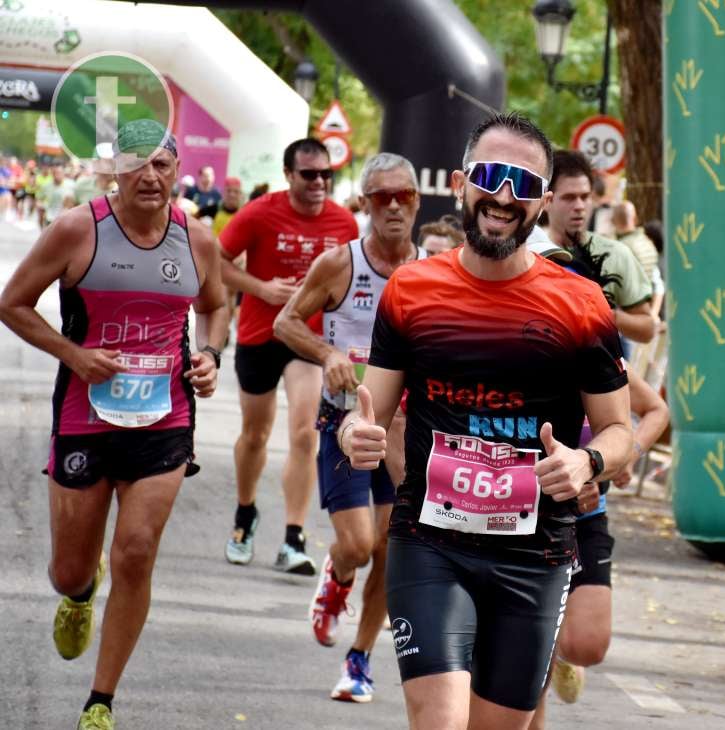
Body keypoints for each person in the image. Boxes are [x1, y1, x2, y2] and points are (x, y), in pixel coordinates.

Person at [339, 112, 634, 730]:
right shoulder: (410, 291)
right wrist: (355, 436)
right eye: (492, 176)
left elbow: (621, 432)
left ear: (543, 203)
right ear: (460, 182)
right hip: (431, 543)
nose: (504, 197)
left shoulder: (580, 304)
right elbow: (371, 412)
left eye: (523, 185)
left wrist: (587, 460)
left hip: (536, 555)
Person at [0, 121, 228, 730]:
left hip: (166, 417)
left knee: (136, 550)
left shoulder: (196, 240)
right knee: (69, 569)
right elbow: (11, 303)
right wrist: (75, 356)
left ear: (178, 171)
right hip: (85, 416)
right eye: (136, 165)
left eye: (162, 164)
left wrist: (209, 356)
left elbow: (216, 307)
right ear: (114, 172)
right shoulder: (79, 229)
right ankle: (79, 594)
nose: (149, 176)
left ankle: (100, 701)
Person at [273, 152, 427, 703]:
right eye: (380, 196)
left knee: (392, 544)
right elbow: (285, 321)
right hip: (344, 419)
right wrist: (328, 350)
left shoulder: (435, 267)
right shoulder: (340, 264)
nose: (392, 206)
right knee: (360, 545)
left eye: (402, 196)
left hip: (405, 426)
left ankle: (359, 658)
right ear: (363, 203)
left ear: (416, 202)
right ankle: (338, 577)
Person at [528, 244, 671, 729]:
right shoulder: (506, 352)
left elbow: (655, 413)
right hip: (512, 522)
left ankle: (563, 649)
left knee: (585, 644)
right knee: (526, 660)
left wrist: (608, 466)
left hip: (583, 519)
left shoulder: (600, 356)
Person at [218, 137, 358, 574]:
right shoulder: (260, 212)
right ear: (289, 175)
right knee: (256, 435)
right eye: (309, 175)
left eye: (325, 174)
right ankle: (245, 515)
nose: (319, 182)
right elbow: (215, 260)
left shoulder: (344, 222)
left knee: (304, 434)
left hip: (308, 340)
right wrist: (260, 288)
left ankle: (293, 538)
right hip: (260, 334)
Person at [541, 150, 656, 344]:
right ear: (547, 200)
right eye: (569, 197)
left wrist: (606, 315)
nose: (579, 206)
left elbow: (647, 329)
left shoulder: (614, 254)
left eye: (585, 197)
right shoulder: (527, 252)